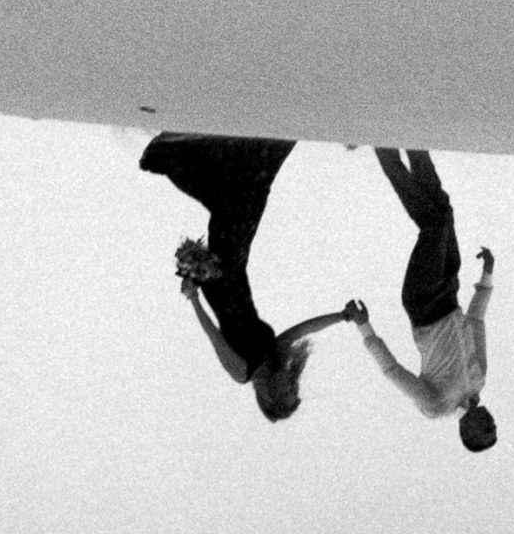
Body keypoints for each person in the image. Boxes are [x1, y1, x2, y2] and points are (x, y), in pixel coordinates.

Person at [139, 132, 354, 421]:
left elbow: (213, 335)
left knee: (246, 198)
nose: (292, 385)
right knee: (237, 198)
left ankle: (168, 157)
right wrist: (341, 316)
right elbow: (303, 330)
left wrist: (193, 298)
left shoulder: (242, 372)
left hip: (218, 277)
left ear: (270, 396)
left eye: (288, 392)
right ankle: (166, 157)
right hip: (236, 269)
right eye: (294, 389)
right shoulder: (273, 356)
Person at [350, 147, 498, 451]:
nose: (490, 422)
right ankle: (415, 144)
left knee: (434, 227)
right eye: (493, 426)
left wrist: (365, 328)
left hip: (424, 303)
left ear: (467, 434)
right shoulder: (479, 380)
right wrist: (487, 276)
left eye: (486, 430)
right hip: (449, 292)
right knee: (443, 211)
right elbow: (476, 322)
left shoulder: (436, 406)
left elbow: (393, 371)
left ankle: (384, 147)